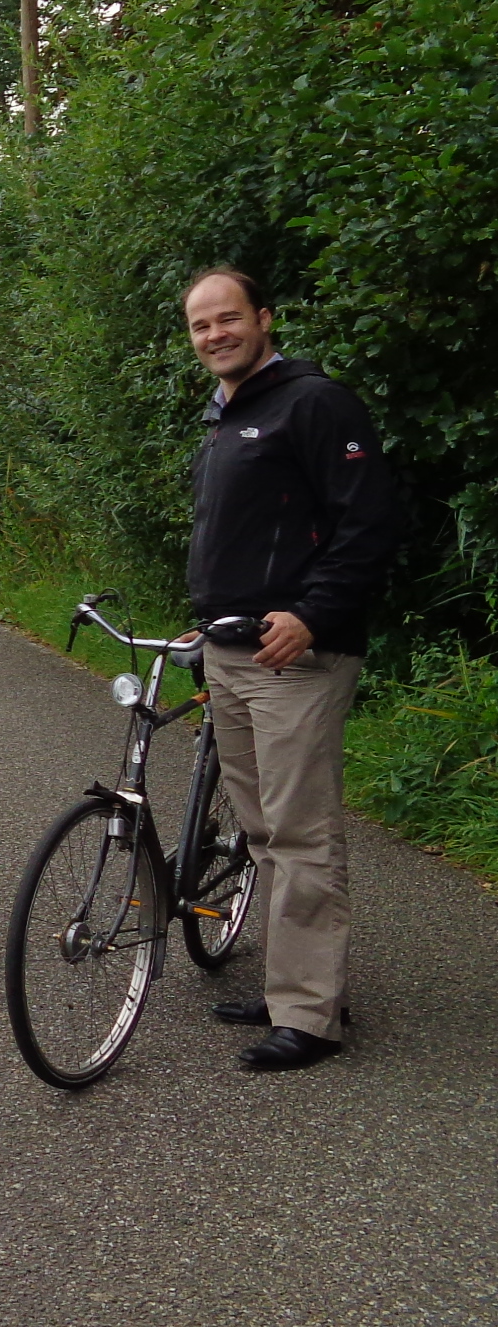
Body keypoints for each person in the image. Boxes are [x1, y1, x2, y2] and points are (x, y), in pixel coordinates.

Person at [182, 266, 399, 1073]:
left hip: (297, 657)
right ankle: (291, 989)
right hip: (231, 652)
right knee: (265, 831)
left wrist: (311, 615)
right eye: (201, 326)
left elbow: (369, 522)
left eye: (227, 319)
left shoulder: (316, 404)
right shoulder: (225, 415)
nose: (214, 336)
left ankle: (311, 1016)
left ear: (264, 319)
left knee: (302, 832)